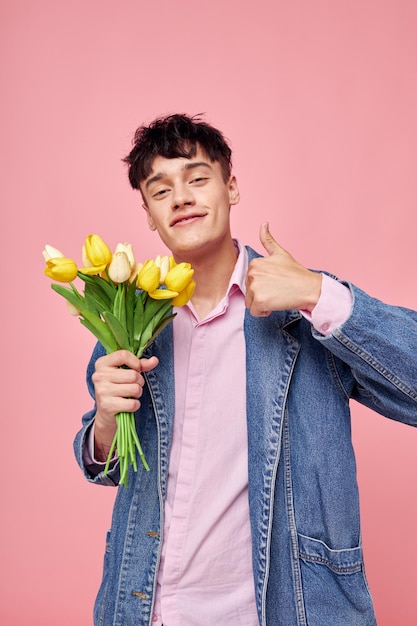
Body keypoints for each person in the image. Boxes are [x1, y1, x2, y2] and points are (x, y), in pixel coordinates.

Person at [74, 113, 417, 626]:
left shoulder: (302, 304)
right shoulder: (131, 320)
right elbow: (112, 465)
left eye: (197, 178)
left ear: (231, 187)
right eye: (160, 190)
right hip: (147, 605)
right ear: (148, 214)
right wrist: (103, 424)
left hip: (288, 608)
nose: (182, 198)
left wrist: (318, 294)